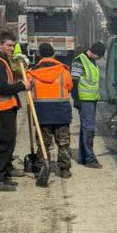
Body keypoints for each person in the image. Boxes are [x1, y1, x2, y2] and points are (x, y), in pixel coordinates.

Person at [0, 32, 31, 192]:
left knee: (7, 142)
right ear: (0, 44)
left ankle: (5, 173)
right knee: (3, 144)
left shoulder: (2, 60)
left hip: (4, 108)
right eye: (9, 45)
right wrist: (22, 86)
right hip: (0, 110)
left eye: (13, 45)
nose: (12, 48)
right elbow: (2, 88)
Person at [29, 43, 74, 178]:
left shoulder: (32, 73)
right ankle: (65, 169)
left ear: (39, 55)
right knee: (63, 142)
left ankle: (43, 168)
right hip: (61, 112)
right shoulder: (63, 71)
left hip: (41, 113)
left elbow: (28, 91)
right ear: (54, 54)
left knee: (43, 143)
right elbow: (69, 87)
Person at [71, 40, 105, 168]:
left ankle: (83, 157)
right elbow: (74, 82)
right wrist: (77, 99)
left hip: (91, 99)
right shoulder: (79, 61)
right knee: (89, 129)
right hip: (84, 100)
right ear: (95, 52)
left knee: (85, 129)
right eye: (100, 55)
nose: (100, 58)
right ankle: (90, 159)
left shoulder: (91, 60)